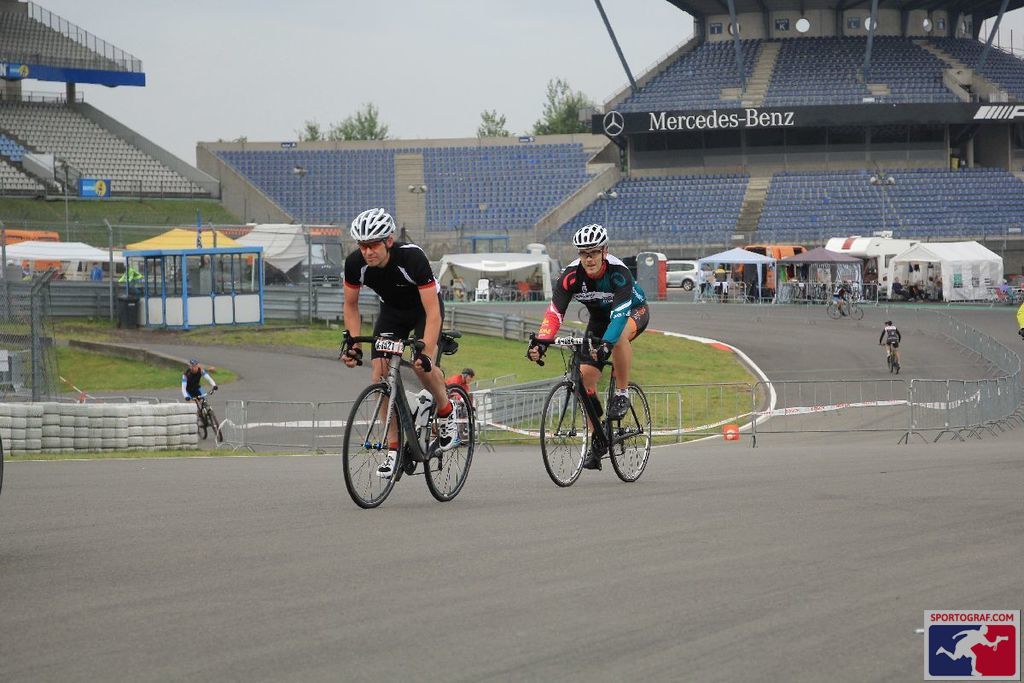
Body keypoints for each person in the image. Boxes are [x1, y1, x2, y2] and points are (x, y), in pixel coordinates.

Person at [339, 207, 460, 478]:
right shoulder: (355, 264)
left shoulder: (412, 258)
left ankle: (446, 409)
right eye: (362, 246)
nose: (367, 252)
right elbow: (350, 305)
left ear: (389, 241)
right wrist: (354, 346)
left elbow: (433, 312)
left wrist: (426, 352)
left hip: (424, 311)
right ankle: (393, 449)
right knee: (379, 376)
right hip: (392, 313)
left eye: (373, 245)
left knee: (421, 366)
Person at [526, 223, 649, 471]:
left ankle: (622, 393)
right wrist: (542, 341)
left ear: (604, 251)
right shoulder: (571, 276)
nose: (589, 259)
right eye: (584, 253)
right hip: (599, 320)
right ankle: (598, 437)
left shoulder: (619, 272)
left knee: (618, 338)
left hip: (632, 313)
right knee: (583, 380)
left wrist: (606, 345)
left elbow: (619, 316)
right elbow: (555, 313)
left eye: (593, 252)